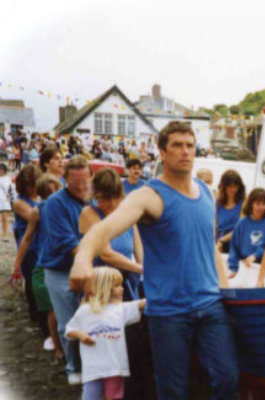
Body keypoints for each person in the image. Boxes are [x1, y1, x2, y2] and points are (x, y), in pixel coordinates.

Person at [70, 121, 238, 400]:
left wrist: (224, 291)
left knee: (228, 377)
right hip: (168, 312)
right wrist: (83, 260)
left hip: (210, 306)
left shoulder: (208, 193)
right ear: (162, 152)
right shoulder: (149, 196)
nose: (185, 151)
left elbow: (211, 247)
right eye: (177, 145)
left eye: (189, 145)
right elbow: (103, 229)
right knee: (173, 391)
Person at [41, 155, 93, 385]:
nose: (81, 187)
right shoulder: (54, 203)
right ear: (64, 179)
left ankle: (93, 366)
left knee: (94, 321)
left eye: (85, 181)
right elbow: (68, 244)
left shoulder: (94, 199)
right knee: (69, 323)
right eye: (75, 182)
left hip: (91, 267)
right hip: (61, 272)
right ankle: (73, 366)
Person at [66, 266, 146, 400]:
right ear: (104, 287)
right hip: (93, 367)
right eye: (117, 285)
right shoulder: (85, 311)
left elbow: (141, 304)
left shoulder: (120, 309)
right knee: (90, 396)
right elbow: (70, 329)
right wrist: (81, 335)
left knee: (113, 396)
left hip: (115, 366)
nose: (122, 288)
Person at [12, 174, 64, 361]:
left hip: (66, 263)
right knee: (52, 309)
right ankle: (58, 347)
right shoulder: (37, 211)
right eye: (48, 193)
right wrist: (17, 266)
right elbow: (26, 238)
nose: (53, 196)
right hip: (45, 263)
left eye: (56, 191)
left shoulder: (70, 208)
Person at [79, 168, 143, 299]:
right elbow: (106, 254)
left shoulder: (128, 213)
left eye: (116, 198)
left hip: (125, 283)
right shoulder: (89, 214)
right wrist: (139, 269)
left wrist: (145, 269)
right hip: (101, 287)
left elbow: (138, 249)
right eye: (105, 199)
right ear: (96, 196)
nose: (112, 203)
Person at [12, 164, 43, 327]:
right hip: (29, 248)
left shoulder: (41, 198)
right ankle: (35, 315)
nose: (32, 190)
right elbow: (36, 217)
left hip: (42, 245)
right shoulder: (19, 203)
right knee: (32, 280)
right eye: (29, 186)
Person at [228, 188, 265, 276]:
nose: (261, 207)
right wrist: (233, 268)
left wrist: (256, 255)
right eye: (257, 204)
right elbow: (234, 248)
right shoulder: (242, 223)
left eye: (264, 204)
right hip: (246, 266)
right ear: (251, 204)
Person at [216, 169, 246, 253]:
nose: (233, 189)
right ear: (223, 187)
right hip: (218, 239)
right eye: (229, 186)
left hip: (234, 240)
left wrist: (222, 240)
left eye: (235, 186)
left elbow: (240, 228)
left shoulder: (243, 202)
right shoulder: (217, 201)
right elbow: (214, 225)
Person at [0, 163, 13, 241]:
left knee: (5, 218)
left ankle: (5, 235)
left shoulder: (7, 179)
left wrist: (11, 200)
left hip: (4, 201)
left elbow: (10, 190)